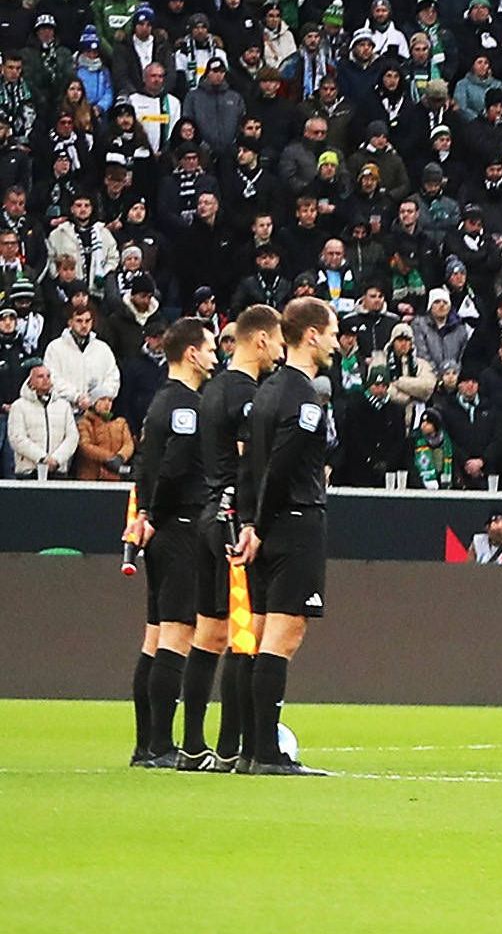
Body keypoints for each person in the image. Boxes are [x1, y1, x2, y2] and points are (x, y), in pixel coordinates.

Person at [228, 297, 339, 775]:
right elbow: (279, 468)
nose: (336, 341)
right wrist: (262, 522)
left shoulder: (266, 392)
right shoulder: (303, 398)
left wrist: (251, 524)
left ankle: (254, 750)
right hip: (295, 523)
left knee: (263, 635)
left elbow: (250, 468)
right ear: (311, 335)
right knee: (283, 634)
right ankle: (267, 754)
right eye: (331, 332)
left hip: (268, 526)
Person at [120, 317, 215, 768]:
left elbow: (145, 466)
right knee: (178, 634)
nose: (215, 354)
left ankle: (146, 745)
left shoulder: (160, 402)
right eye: (210, 347)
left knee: (155, 636)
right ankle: (161, 746)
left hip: (161, 526)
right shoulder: (187, 407)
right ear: (192, 353)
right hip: (178, 527)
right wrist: (155, 517)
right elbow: (174, 467)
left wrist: (142, 516)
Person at [189, 307, 275, 771]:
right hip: (230, 520)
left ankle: (191, 745)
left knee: (210, 634)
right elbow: (249, 459)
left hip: (207, 513)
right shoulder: (246, 393)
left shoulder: (212, 387)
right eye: (277, 338)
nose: (280, 348)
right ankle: (231, 750)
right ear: (259, 340)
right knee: (244, 638)